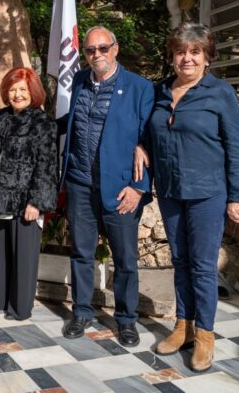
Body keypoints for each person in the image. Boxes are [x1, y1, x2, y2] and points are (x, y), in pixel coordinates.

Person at [137, 23, 239, 371]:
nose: (187, 58)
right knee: (181, 262)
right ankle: (182, 326)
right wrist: (140, 146)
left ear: (207, 57)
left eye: (195, 51)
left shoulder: (221, 94)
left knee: (202, 266)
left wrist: (237, 197)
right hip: (171, 191)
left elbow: (234, 147)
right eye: (181, 52)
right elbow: (150, 131)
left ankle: (205, 335)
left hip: (207, 193)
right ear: (172, 56)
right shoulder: (160, 91)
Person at [60, 26, 153, 346]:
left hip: (120, 189)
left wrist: (139, 187)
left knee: (125, 259)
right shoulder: (79, 81)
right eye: (89, 50)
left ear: (115, 49)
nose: (96, 55)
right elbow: (71, 123)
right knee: (81, 253)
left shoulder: (139, 87)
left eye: (102, 49)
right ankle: (82, 311)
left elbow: (151, 139)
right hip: (80, 183)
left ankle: (126, 319)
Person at [0, 67, 58, 320]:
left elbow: (47, 164)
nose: (17, 94)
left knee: (23, 255)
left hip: (24, 201)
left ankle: (20, 307)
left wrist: (37, 202)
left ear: (33, 92)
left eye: (22, 89)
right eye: (12, 89)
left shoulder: (42, 122)